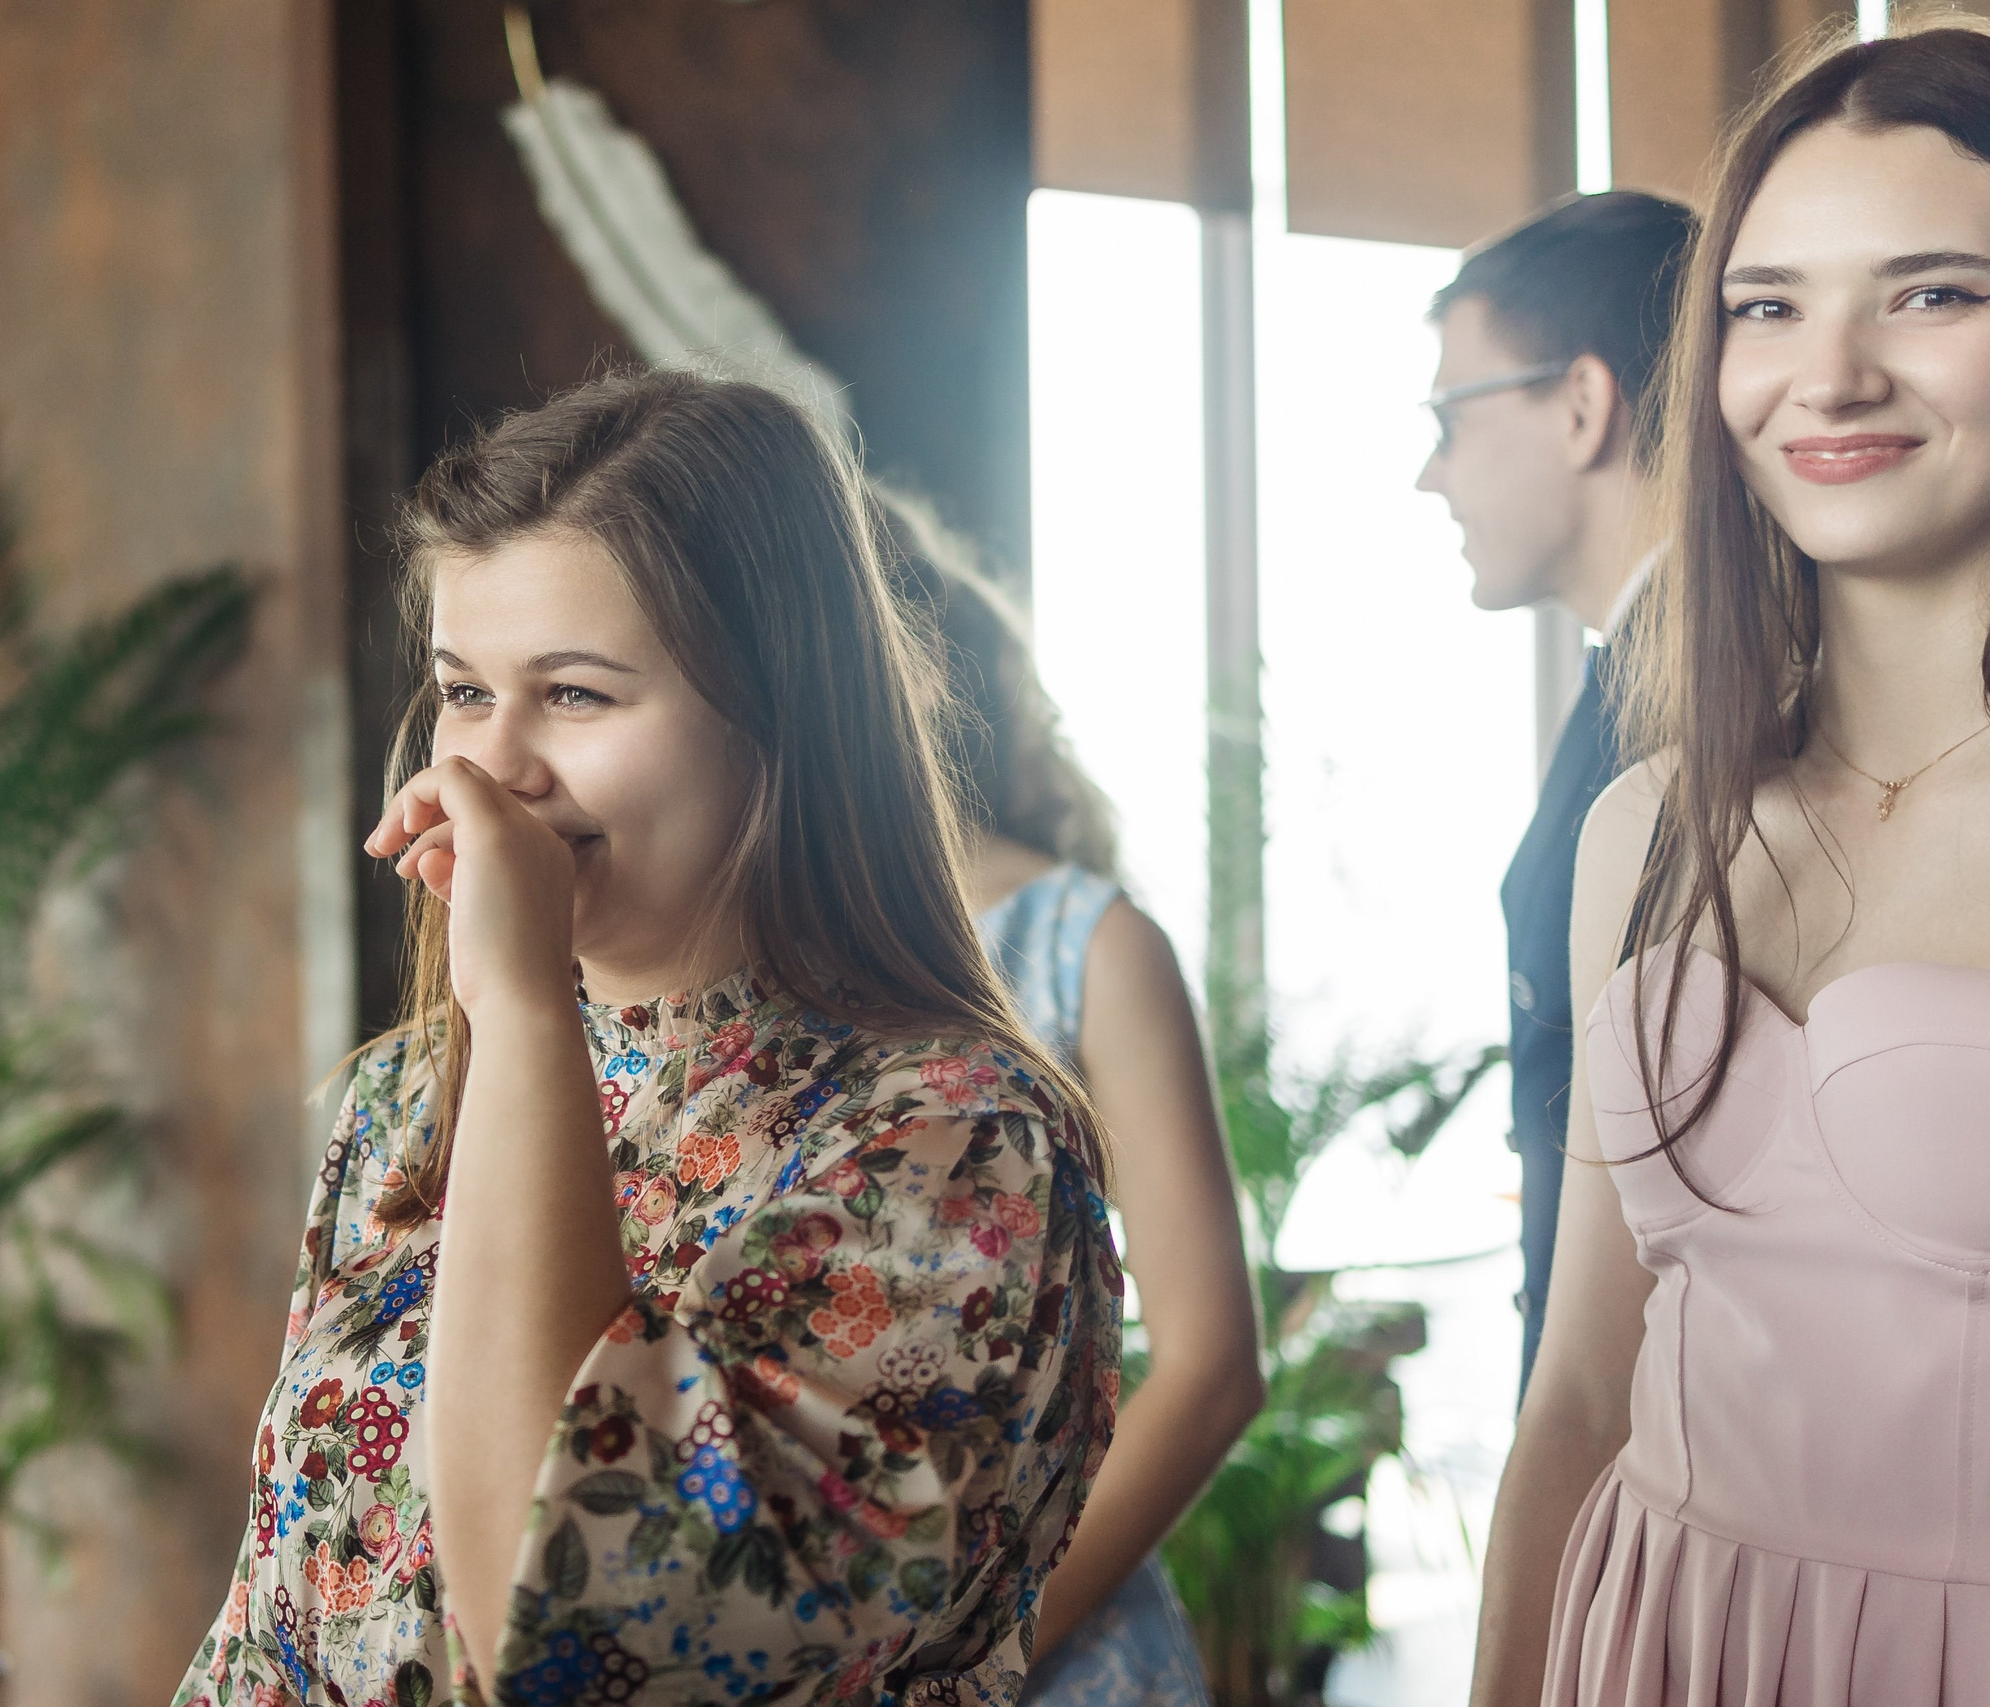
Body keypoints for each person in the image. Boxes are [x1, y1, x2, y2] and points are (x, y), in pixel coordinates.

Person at [175, 371, 1121, 1707]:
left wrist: (517, 1012)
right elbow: (267, 1621)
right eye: (461, 689)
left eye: (574, 694)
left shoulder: (955, 1139)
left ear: (780, 723)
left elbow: (572, 1633)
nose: (490, 769)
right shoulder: (399, 1097)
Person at [1471, 21, 1990, 1703]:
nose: (1832, 374)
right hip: (1661, 1646)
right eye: (1767, 305)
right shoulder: (1646, 826)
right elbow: (1582, 1391)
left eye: (1932, 295)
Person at [884, 497, 1260, 1707]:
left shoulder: (1084, 945)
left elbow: (1208, 1367)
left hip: (1054, 1652)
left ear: (911, 673)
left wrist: (977, 1662)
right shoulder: (701, 963)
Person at [1417, 190, 1697, 1395]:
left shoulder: (1692, 715)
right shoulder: (1635, 678)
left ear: (1583, 404)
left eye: (1449, 416)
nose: (1428, 474)